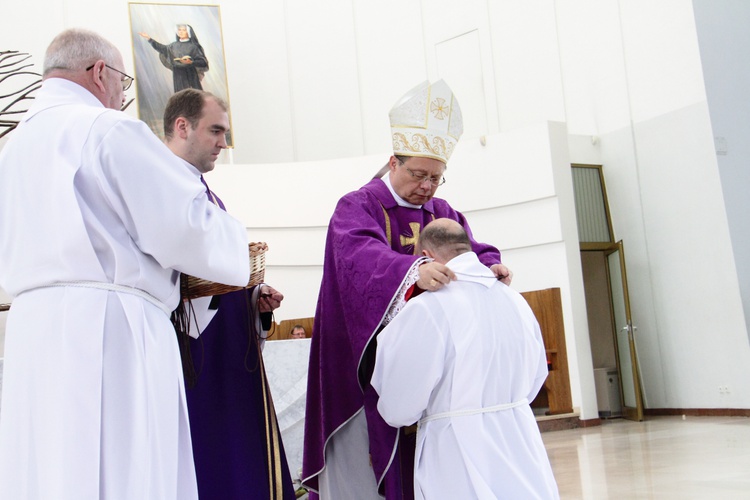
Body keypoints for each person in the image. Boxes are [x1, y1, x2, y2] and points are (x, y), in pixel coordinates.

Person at [0, 29, 250, 499]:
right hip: (111, 330)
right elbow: (185, 230)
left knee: (47, 469)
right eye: (122, 81)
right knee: (124, 467)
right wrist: (235, 242)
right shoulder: (107, 128)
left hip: (34, 333)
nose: (120, 96)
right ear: (99, 73)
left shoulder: (13, 149)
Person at [301, 79, 512, 499]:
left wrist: (491, 264)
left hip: (429, 373)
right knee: (364, 469)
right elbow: (358, 257)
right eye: (419, 174)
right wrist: (414, 270)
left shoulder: (442, 211)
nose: (428, 187)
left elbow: (467, 246)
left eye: (437, 178)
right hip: (361, 362)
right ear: (393, 162)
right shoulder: (357, 206)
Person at [162, 88, 296, 500]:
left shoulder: (203, 191)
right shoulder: (161, 183)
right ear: (182, 127)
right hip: (195, 358)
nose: (224, 142)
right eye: (216, 131)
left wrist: (253, 303)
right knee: (214, 463)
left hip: (226, 352)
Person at [371, 218, 560, 499]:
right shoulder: (515, 300)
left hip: (455, 447)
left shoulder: (426, 309)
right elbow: (535, 378)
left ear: (425, 257)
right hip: (520, 438)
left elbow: (399, 407)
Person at [139, 24, 208, 92]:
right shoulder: (173, 46)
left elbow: (203, 62)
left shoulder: (194, 46)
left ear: (189, 32)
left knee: (193, 96)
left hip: (190, 74)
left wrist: (191, 61)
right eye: (179, 30)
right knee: (180, 97)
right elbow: (161, 48)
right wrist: (149, 39)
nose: (181, 32)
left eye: (183, 30)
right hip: (178, 74)